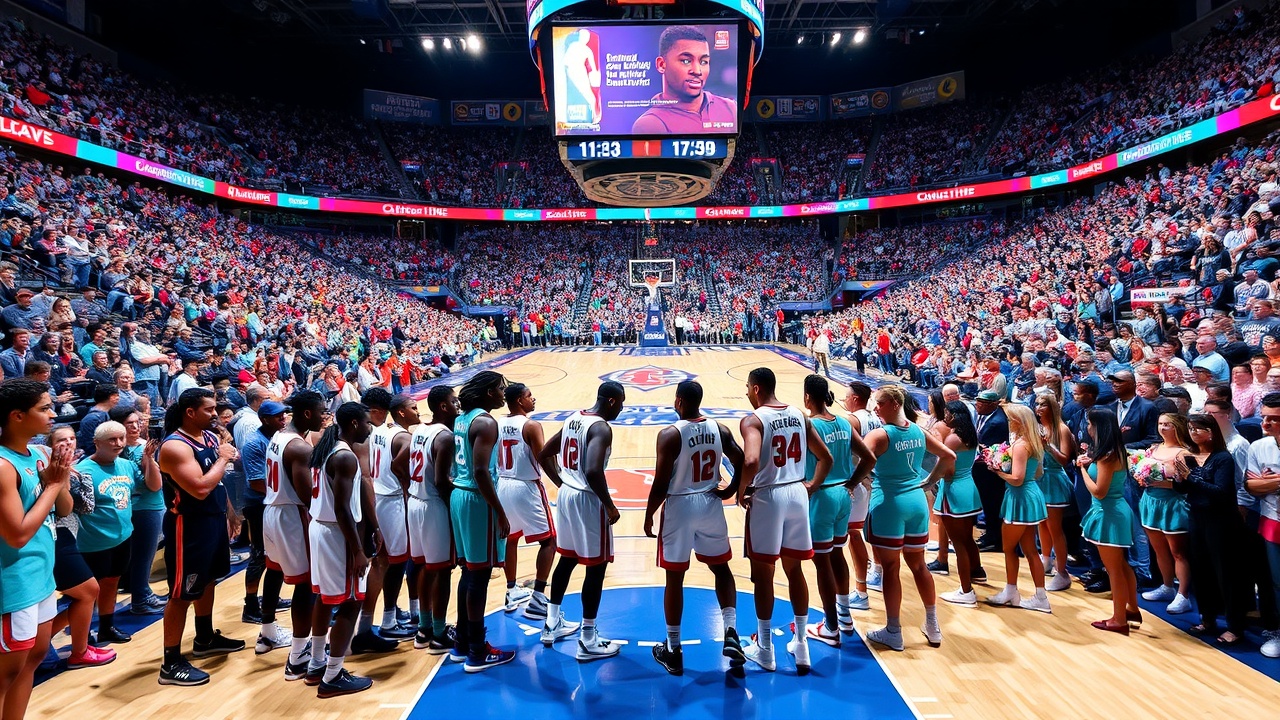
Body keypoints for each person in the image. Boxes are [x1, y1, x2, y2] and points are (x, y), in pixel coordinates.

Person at [643, 380, 747, 676]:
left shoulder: (669, 434)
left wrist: (649, 514)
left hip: (680, 505)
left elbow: (661, 482)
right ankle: (730, 631)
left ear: (678, 401)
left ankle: (674, 650)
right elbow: (741, 459)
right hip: (710, 502)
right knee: (721, 569)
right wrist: (732, 491)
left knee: (674, 578)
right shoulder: (719, 429)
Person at [737, 367, 832, 672]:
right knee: (795, 570)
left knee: (764, 574)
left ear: (756, 389)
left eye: (748, 388)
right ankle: (801, 645)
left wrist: (741, 490)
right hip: (797, 494)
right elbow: (826, 457)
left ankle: (765, 648)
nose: (747, 393)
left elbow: (751, 460)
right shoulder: (799, 416)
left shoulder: (753, 420)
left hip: (769, 496)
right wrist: (812, 486)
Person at [156, 388, 244, 686]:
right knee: (182, 593)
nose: (215, 414)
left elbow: (217, 486)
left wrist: (230, 513)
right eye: (209, 409)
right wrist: (223, 458)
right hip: (188, 526)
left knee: (208, 580)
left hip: (213, 520)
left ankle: (204, 638)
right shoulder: (174, 447)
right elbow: (201, 488)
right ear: (190, 412)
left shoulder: (208, 437)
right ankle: (170, 662)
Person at [537, 381, 627, 663]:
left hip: (567, 495)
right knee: (596, 567)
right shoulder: (601, 428)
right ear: (611, 401)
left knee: (567, 558)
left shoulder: (574, 418)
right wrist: (609, 505)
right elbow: (593, 470)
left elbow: (544, 454)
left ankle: (551, 622)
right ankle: (588, 639)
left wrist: (561, 483)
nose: (622, 408)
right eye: (621, 402)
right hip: (588, 499)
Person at [860, 385, 954, 651]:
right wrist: (929, 482)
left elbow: (859, 459)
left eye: (879, 404)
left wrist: (858, 481)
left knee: (891, 568)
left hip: (889, 503)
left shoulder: (880, 435)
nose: (875, 409)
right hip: (916, 503)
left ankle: (893, 631)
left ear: (893, 403)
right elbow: (948, 456)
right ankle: (933, 626)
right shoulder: (918, 430)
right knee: (919, 565)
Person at [797, 375, 875, 647]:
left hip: (822, 496)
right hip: (844, 495)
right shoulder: (843, 422)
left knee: (822, 564)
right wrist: (852, 483)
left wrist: (811, 484)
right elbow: (869, 458)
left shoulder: (810, 425)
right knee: (837, 555)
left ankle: (830, 627)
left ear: (807, 397)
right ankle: (844, 617)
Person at [450, 371, 517, 671]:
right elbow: (480, 471)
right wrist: (500, 511)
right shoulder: (486, 422)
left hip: (460, 495)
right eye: (500, 389)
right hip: (477, 500)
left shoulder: (462, 419)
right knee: (479, 576)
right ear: (489, 392)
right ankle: (478, 651)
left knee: (469, 572)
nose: (504, 393)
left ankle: (462, 642)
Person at [307, 402, 375, 697]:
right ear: (353, 424)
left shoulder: (328, 447)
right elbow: (343, 509)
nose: (370, 428)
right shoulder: (345, 456)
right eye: (367, 422)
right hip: (337, 534)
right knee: (351, 601)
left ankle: (315, 664)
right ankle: (332, 676)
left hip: (320, 528)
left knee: (325, 598)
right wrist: (358, 550)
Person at [74, 420, 160, 647]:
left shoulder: (126, 465)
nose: (119, 443)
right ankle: (82, 635)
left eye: (121, 438)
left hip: (122, 537)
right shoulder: (83, 471)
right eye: (112, 439)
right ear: (97, 443)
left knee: (112, 582)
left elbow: (154, 486)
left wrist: (149, 459)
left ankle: (106, 627)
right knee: (89, 591)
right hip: (93, 542)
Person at [263, 391, 325, 682]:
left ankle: (271, 634)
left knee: (279, 574)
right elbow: (307, 494)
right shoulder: (299, 447)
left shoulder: (279, 436)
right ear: (308, 414)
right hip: (292, 515)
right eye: (321, 411)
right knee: (307, 585)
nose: (325, 416)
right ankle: (299, 655)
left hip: (273, 510)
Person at [1172, 414, 1250, 644]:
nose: (1193, 432)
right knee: (1201, 570)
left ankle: (1235, 627)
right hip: (1196, 517)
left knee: (1225, 573)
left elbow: (1221, 492)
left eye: (1199, 428)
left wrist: (1190, 478)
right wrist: (1178, 479)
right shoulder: (1189, 456)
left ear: (1211, 432)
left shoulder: (1223, 458)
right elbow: (1183, 490)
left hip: (1221, 520)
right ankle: (1207, 619)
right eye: (1190, 428)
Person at [396, 385, 459, 653]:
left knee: (422, 567)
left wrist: (410, 488)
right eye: (454, 402)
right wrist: (455, 507)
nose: (458, 406)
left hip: (415, 503)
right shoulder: (444, 436)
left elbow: (397, 464)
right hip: (433, 506)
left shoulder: (420, 430)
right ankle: (439, 634)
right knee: (442, 571)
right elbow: (442, 482)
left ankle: (424, 629)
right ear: (443, 406)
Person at [47, 425, 115, 669]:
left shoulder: (80, 472)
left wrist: (65, 476)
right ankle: (76, 651)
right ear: (49, 445)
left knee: (84, 594)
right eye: (61, 440)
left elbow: (86, 507)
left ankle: (65, 646)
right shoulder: (44, 468)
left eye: (72, 438)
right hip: (54, 536)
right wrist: (59, 477)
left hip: (70, 535)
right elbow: (57, 509)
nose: (68, 443)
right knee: (88, 591)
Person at [349, 388, 408, 652]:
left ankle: (383, 616)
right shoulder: (377, 433)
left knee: (383, 563)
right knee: (383, 564)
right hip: (382, 502)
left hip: (371, 502)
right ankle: (368, 626)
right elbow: (366, 477)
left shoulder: (367, 432)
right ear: (378, 411)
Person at [1077, 408, 1141, 635]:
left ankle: (1119, 620)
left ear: (1098, 427)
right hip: (1115, 511)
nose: (1087, 428)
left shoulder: (1107, 457)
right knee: (1121, 565)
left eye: (1089, 424)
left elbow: (1099, 491)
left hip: (1109, 513)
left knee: (1114, 570)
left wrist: (1083, 470)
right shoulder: (1114, 451)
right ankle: (1131, 609)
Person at [495, 383, 555, 620]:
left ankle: (511, 591)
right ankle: (538, 597)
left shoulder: (498, 423)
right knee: (549, 541)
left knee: (511, 539)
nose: (533, 399)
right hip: (526, 486)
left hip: (503, 484)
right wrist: (561, 482)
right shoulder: (531, 425)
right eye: (530, 396)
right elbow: (544, 458)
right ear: (520, 400)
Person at [237, 400, 293, 654]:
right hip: (258, 504)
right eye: (278, 417)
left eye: (284, 415)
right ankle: (250, 605)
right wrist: (287, 492)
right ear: (265, 419)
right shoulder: (254, 443)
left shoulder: (277, 437)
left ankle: (271, 598)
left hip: (272, 502)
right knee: (259, 554)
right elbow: (257, 482)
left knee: (274, 556)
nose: (283, 419)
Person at [986, 404, 1051, 613]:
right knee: (1030, 550)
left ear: (1018, 421)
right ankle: (1039, 596)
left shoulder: (1021, 445)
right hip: (1030, 495)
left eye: (1010, 419)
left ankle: (1011, 591)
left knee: (1008, 548)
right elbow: (1037, 473)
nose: (1008, 422)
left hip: (1020, 497)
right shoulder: (1034, 442)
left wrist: (997, 471)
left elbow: (1017, 478)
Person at [369, 394, 418, 641]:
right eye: (413, 407)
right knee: (397, 563)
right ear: (400, 412)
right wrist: (411, 497)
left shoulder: (380, 430)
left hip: (378, 497)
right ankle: (389, 620)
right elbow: (401, 471)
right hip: (393, 501)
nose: (418, 411)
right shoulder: (403, 437)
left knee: (384, 562)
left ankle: (394, 613)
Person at [631, 25, 737, 135]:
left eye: (703, 62)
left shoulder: (730, 108)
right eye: (686, 61)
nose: (697, 71)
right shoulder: (650, 124)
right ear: (661, 65)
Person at [1139, 413, 1195, 614]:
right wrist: (1141, 477)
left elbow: (1186, 484)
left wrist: (1157, 482)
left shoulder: (1185, 453)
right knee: (1159, 550)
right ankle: (1167, 586)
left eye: (1167, 424)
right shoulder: (1154, 448)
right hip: (1150, 501)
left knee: (1178, 552)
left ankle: (1183, 595)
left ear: (1177, 427)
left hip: (1173, 503)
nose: (1162, 428)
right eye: (1160, 423)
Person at [935, 401, 986, 606]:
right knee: (967, 538)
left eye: (947, 413)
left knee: (958, 543)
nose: (944, 417)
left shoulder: (952, 438)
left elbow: (947, 471)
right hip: (969, 488)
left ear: (955, 415)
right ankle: (977, 572)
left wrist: (929, 480)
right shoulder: (970, 436)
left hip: (954, 490)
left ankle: (966, 591)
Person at [1245, 392, 1280, 659]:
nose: (1265, 424)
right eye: (1264, 417)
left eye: (1273, 419)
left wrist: (1269, 482)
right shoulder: (1258, 446)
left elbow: (1261, 484)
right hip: (1272, 521)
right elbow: (1252, 486)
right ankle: (1277, 631)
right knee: (1275, 582)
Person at [844, 381, 882, 600]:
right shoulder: (875, 417)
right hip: (875, 479)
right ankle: (877, 571)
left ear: (855, 398)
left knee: (854, 533)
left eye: (846, 397)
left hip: (860, 480)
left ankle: (861, 588)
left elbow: (852, 454)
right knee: (871, 531)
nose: (845, 400)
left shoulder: (852, 420)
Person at [1034, 395, 1075, 591]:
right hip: (1039, 479)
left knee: (1054, 528)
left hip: (1055, 480)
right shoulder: (1038, 428)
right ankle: (1046, 560)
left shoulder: (1062, 429)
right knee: (1042, 523)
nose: (1039, 407)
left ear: (1052, 407)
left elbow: (1064, 460)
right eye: (1037, 404)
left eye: (1043, 404)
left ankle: (1062, 572)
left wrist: (1048, 446)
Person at [972, 390, 1009, 552]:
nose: (977, 405)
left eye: (982, 402)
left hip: (991, 473)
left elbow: (992, 448)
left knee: (993, 504)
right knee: (987, 505)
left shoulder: (998, 422)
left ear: (993, 404)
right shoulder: (985, 415)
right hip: (983, 469)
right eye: (977, 401)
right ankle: (990, 534)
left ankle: (995, 539)